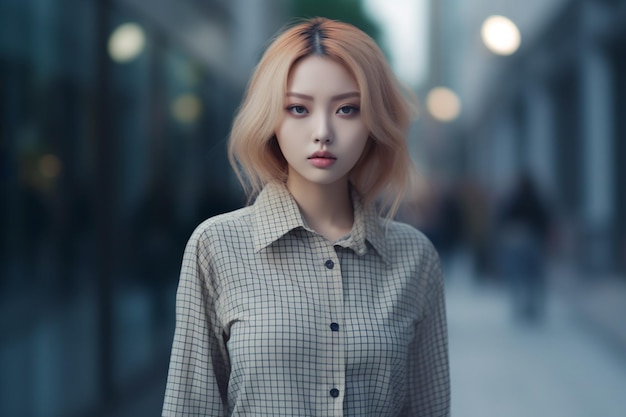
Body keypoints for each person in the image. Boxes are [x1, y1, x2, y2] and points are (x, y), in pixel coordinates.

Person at [162, 17, 450, 417]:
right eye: (298, 108)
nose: (323, 131)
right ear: (270, 119)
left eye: (348, 109)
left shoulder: (414, 258)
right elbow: (191, 407)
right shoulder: (216, 246)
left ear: (373, 122)